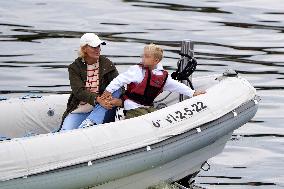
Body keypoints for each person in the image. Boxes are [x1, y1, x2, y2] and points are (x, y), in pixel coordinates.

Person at [101, 43, 206, 119]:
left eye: (147, 56)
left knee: (158, 116)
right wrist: (108, 90)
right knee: (145, 117)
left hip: (148, 106)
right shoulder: (137, 70)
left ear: (156, 60)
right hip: (132, 106)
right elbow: (120, 79)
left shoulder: (163, 76)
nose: (143, 58)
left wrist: (193, 93)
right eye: (143, 55)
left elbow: (177, 86)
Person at [60, 33, 122, 131]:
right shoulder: (74, 67)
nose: (98, 49)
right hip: (82, 108)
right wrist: (98, 99)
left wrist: (120, 101)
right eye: (94, 47)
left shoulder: (106, 63)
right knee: (65, 131)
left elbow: (119, 85)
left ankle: (91, 122)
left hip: (103, 107)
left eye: (99, 46)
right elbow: (79, 91)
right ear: (84, 49)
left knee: (116, 89)